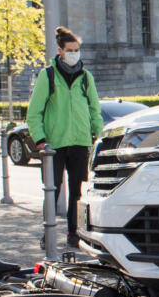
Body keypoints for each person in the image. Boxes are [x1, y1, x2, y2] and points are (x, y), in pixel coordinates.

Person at [26, 26, 102, 253]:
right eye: (70, 50)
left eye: (77, 50)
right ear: (60, 51)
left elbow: (95, 110)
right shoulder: (47, 76)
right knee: (52, 190)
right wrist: (40, 140)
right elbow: (34, 112)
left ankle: (74, 234)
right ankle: (47, 232)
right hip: (54, 145)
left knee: (78, 192)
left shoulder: (86, 77)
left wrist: (98, 137)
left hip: (80, 142)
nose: (74, 54)